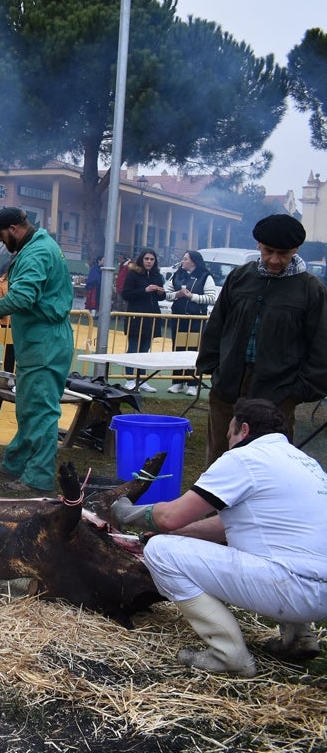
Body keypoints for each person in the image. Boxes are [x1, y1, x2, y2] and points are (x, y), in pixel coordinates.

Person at [111, 398, 327, 676]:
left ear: (244, 430)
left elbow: (170, 516)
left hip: (290, 587)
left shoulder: (244, 458)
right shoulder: (303, 462)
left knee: (160, 552)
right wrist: (180, 534)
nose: (227, 443)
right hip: (319, 592)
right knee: (282, 546)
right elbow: (227, 526)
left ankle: (229, 655)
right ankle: (299, 636)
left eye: (229, 435)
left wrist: (130, 513)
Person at [197, 214, 327, 464]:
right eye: (269, 251)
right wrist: (213, 369)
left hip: (278, 393)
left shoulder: (311, 289)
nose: (274, 260)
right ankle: (212, 505)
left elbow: (321, 347)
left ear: (296, 249)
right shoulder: (239, 277)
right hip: (228, 387)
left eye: (283, 253)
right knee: (220, 459)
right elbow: (217, 326)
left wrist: (296, 392)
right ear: (258, 246)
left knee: (269, 465)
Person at [0, 207, 73, 492]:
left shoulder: (37, 252)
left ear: (14, 228)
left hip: (46, 341)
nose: (1, 241)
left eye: (1, 235)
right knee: (28, 406)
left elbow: (24, 296)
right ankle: (15, 463)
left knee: (40, 410)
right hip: (37, 341)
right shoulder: (37, 246)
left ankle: (38, 477)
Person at [166, 250, 217, 395]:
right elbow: (166, 293)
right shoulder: (177, 275)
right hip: (179, 318)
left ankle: (193, 384)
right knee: (178, 349)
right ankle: (177, 382)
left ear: (193, 261)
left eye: (185, 259)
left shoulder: (205, 276)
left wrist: (192, 296)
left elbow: (211, 298)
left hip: (196, 320)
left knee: (194, 350)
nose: (182, 261)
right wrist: (177, 294)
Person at [120, 248, 165, 391]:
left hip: (152, 317)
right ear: (142, 259)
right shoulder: (133, 274)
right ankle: (129, 379)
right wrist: (145, 290)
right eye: (147, 259)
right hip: (135, 316)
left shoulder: (157, 275)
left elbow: (160, 298)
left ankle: (142, 379)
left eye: (152, 259)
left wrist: (160, 293)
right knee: (133, 348)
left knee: (145, 349)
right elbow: (126, 294)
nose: (149, 262)